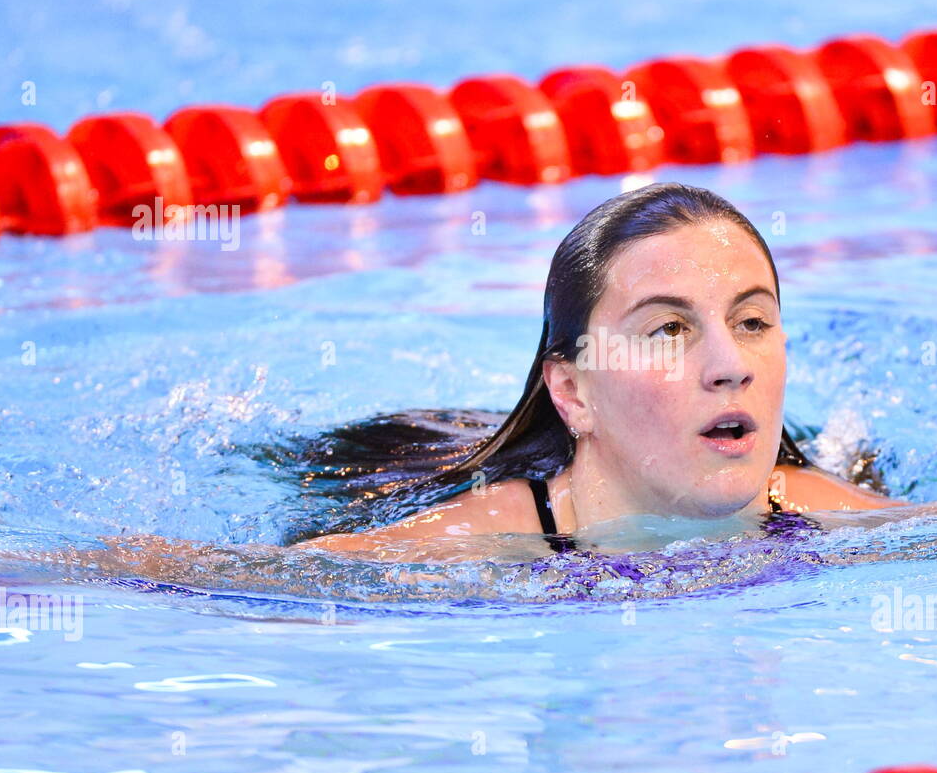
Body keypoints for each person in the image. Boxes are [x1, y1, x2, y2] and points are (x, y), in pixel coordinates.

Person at [301, 181, 902, 557]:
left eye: (751, 323)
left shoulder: (828, 514)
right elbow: (233, 584)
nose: (731, 367)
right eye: (669, 329)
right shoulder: (486, 538)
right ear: (572, 391)